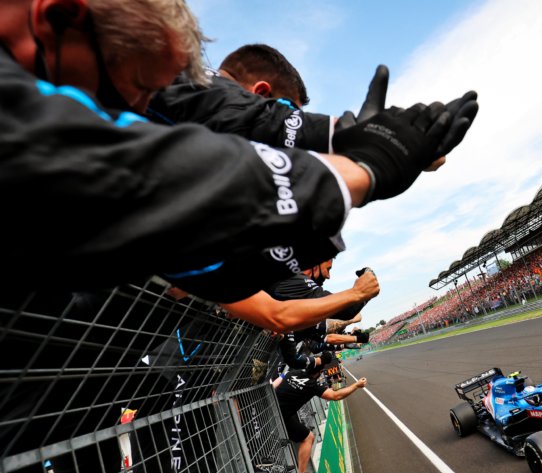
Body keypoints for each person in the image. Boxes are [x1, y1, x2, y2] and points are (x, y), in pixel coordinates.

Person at [1, 0, 478, 294]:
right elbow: (118, 166)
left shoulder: (71, 59)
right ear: (61, 15)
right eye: (137, 90)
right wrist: (357, 170)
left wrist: (341, 137)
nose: (135, 114)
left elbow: (206, 114)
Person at [272, 353, 367, 473]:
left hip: (272, 409)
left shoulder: (293, 372)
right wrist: (356, 385)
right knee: (308, 437)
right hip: (282, 416)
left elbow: (275, 385)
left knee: (300, 427)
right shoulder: (312, 384)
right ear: (318, 373)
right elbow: (335, 396)